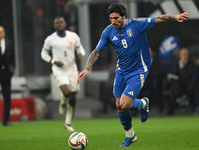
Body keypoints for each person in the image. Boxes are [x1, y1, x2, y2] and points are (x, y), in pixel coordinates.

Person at [77, 3, 189, 147]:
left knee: (125, 103)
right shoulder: (108, 31)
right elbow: (96, 51)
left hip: (137, 71)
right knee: (119, 105)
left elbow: (159, 18)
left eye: (116, 18)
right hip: (121, 71)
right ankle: (130, 135)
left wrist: (176, 17)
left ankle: (143, 103)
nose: (113, 21)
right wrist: (87, 68)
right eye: (111, 18)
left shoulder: (137, 24)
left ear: (124, 16)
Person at [41, 17, 86, 131]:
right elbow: (43, 54)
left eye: (61, 22)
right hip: (59, 69)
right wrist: (53, 61)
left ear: (65, 23)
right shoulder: (50, 39)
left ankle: (68, 122)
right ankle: (63, 101)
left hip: (72, 69)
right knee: (67, 92)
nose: (59, 24)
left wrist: (80, 53)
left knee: (73, 95)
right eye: (57, 23)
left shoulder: (73, 36)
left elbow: (81, 49)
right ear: (54, 26)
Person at [167, 47, 197, 115]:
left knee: (195, 86)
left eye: (185, 54)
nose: (184, 56)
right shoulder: (176, 63)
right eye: (182, 54)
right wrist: (180, 66)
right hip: (178, 87)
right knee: (173, 85)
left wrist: (182, 67)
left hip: (188, 87)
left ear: (188, 55)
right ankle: (170, 111)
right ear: (180, 55)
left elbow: (190, 75)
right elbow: (172, 73)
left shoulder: (191, 64)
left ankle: (185, 98)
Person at [0, 26, 15, 126]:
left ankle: (6, 120)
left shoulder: (9, 44)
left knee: (7, 97)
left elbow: (12, 58)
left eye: (1, 32)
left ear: (4, 33)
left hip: (6, 74)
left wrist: (11, 70)